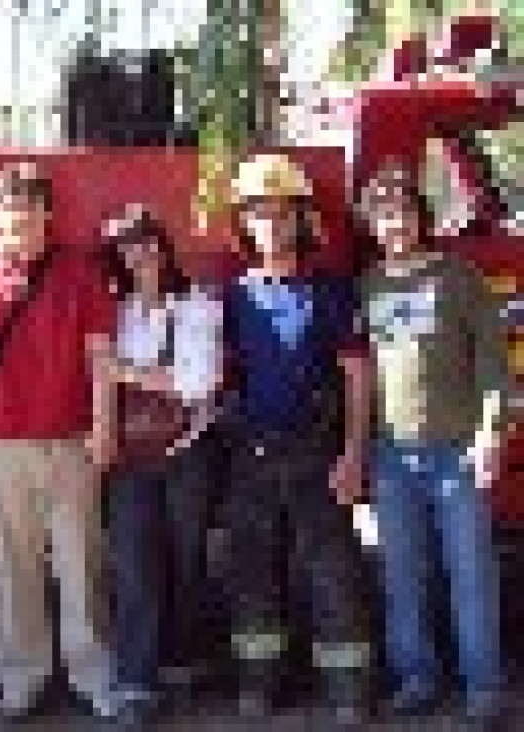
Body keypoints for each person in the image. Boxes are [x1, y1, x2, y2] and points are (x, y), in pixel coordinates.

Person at [0, 162, 125, 721]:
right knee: (13, 566)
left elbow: (101, 354)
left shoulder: (80, 273)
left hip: (72, 439)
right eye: (9, 205)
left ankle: (93, 675)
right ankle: (22, 678)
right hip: (0, 443)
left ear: (48, 213)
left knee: (83, 563)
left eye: (30, 204)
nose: (20, 215)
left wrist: (104, 427)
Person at [357, 159, 509, 729]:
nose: (394, 223)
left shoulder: (460, 278)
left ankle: (483, 693)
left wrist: (491, 433)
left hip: (456, 455)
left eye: (401, 211)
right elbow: (362, 372)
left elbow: (495, 364)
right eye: (382, 215)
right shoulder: (369, 284)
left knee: (471, 576)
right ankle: (417, 682)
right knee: (402, 579)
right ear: (373, 225)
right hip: (392, 458)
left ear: (420, 216)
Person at [223, 153, 372, 725]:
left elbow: (359, 376)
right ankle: (260, 683)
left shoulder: (333, 292)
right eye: (260, 215)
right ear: (245, 226)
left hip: (319, 454)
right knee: (253, 571)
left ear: (303, 222)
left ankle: (347, 690)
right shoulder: (233, 297)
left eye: (284, 215)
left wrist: (353, 455)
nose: (273, 226)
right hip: (253, 454)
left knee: (333, 569)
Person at [89, 204, 225, 720]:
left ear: (164, 247)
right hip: (127, 460)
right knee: (133, 566)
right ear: (116, 257)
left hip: (187, 454)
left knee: (187, 561)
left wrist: (122, 370)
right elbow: (101, 377)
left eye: (147, 242)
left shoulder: (196, 306)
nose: (139, 254)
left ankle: (185, 662)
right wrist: (143, 378)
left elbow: (199, 383)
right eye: (127, 246)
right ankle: (136, 681)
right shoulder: (112, 311)